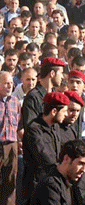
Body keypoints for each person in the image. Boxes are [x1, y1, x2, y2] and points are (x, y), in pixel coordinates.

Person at [22, 92, 71, 200]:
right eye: (64, 111)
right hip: (36, 185)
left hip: (52, 181)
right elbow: (43, 156)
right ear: (54, 111)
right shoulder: (34, 130)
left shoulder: (56, 127)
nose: (66, 115)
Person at [31, 139, 85, 205]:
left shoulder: (72, 183)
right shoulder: (50, 186)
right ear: (66, 158)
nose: (84, 170)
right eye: (81, 163)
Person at [21, 57, 66, 127]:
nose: (62, 77)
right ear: (52, 73)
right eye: (61, 73)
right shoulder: (33, 97)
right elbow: (30, 125)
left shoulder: (56, 96)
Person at [0, 71, 20, 205]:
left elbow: (19, 124)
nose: (9, 86)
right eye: (6, 83)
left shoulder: (15, 102)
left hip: (12, 146)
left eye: (11, 83)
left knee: (10, 182)